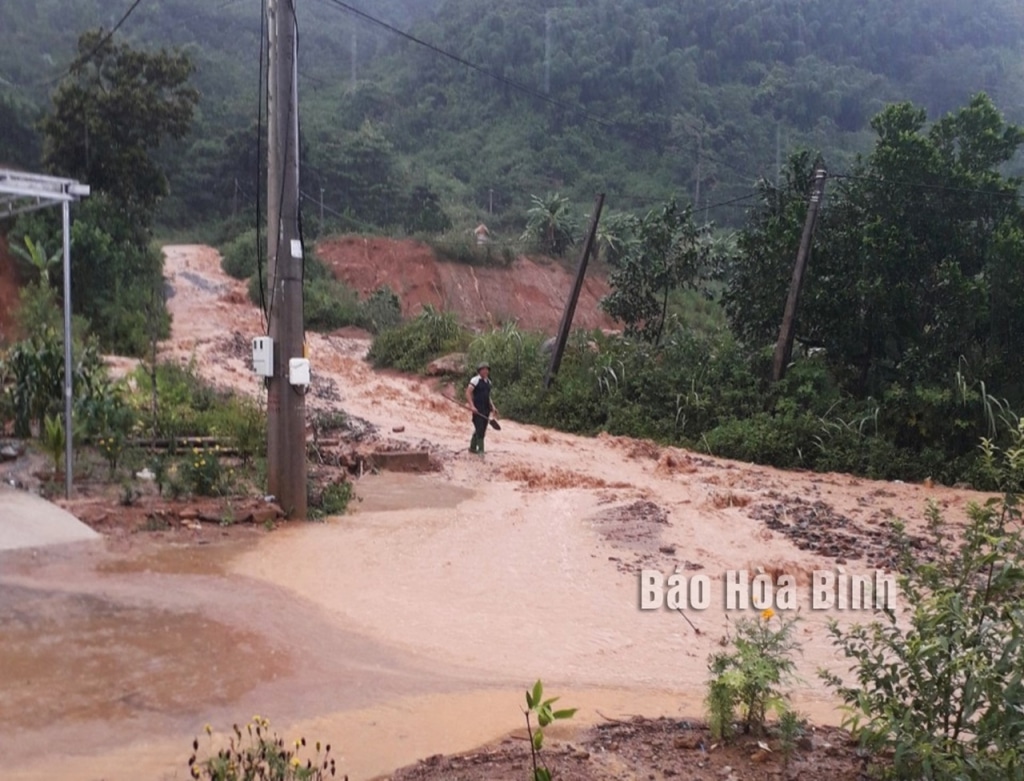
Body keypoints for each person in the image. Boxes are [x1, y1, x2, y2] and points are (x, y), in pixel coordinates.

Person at [465, 361, 498, 454]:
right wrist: (472, 406)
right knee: (479, 429)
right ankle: (481, 451)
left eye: (487, 369)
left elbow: (488, 396)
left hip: (486, 409)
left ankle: (472, 448)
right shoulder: (475, 380)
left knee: (482, 429)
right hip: (477, 408)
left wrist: (493, 407)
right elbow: (468, 393)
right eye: (483, 369)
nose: (485, 371)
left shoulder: (488, 382)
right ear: (479, 371)